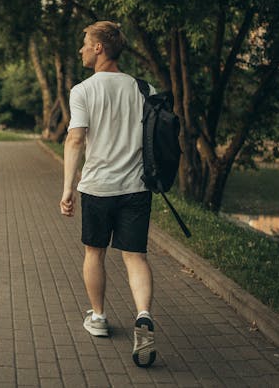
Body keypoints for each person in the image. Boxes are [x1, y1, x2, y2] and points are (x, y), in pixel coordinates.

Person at [59, 21, 157, 368]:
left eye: (85, 43)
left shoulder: (84, 90)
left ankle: (98, 318)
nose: (82, 49)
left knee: (94, 253)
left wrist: (68, 187)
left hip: (99, 188)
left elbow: (75, 139)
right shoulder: (145, 89)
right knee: (135, 257)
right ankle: (143, 316)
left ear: (100, 47)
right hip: (137, 188)